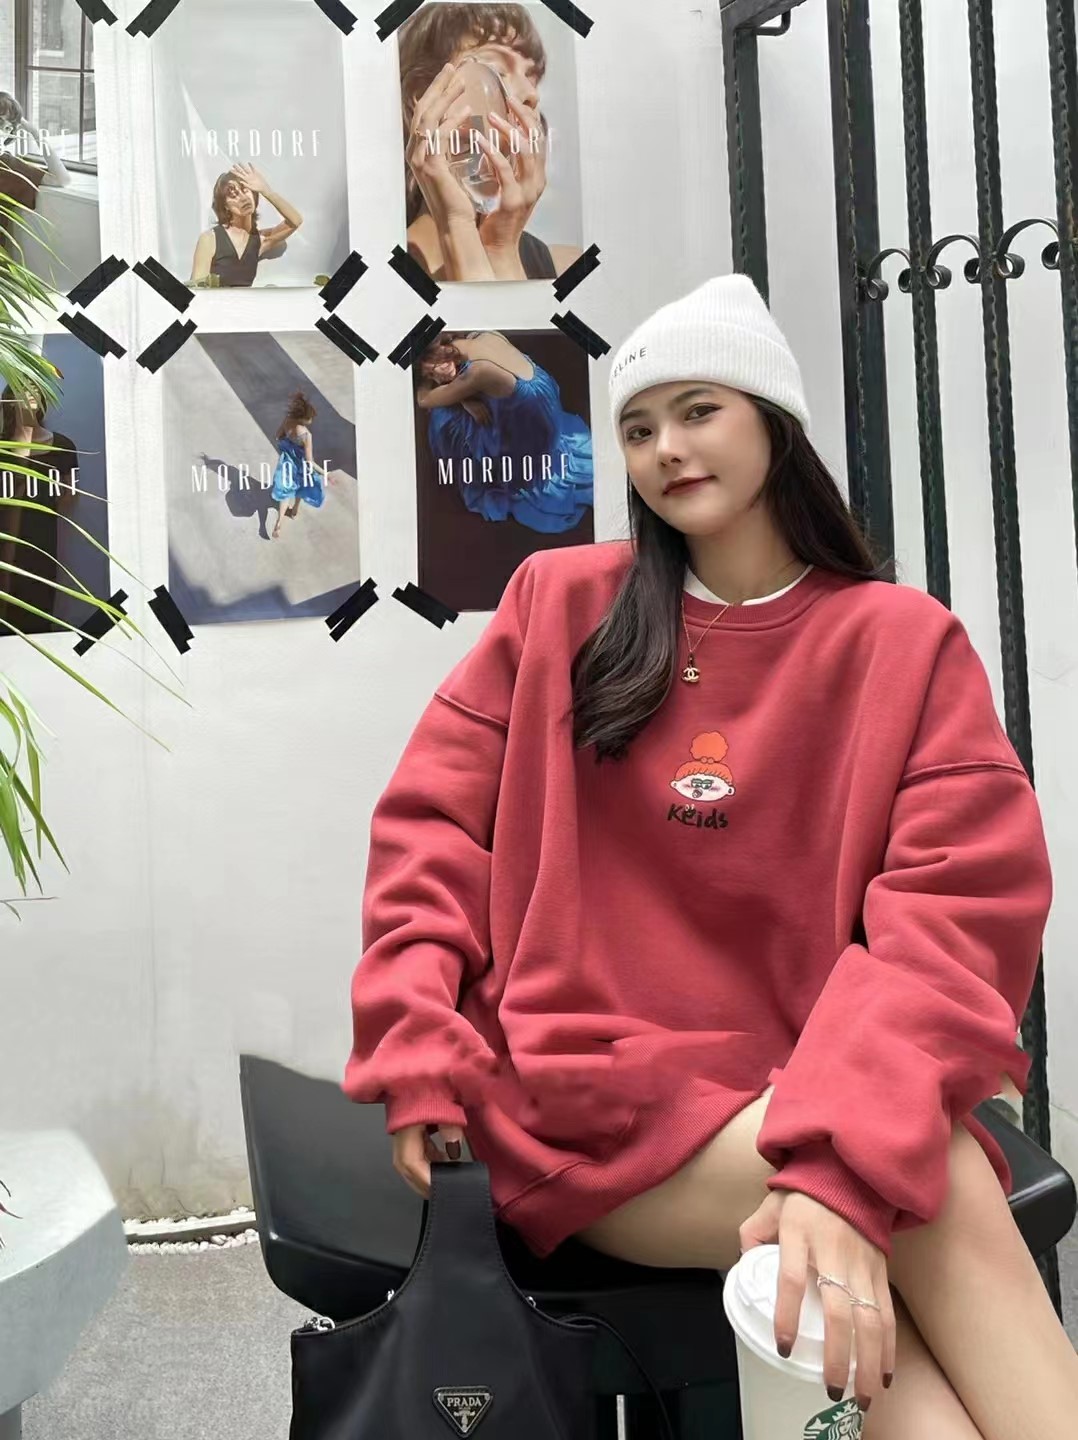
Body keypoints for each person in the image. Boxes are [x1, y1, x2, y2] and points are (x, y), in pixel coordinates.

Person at [343, 276, 1076, 1433]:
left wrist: (834, 1162)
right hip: (583, 1103)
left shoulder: (899, 643)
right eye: (638, 428)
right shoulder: (560, 606)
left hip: (800, 1088)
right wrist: (416, 1036)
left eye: (698, 411)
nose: (666, 449)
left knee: (866, 1322)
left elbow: (955, 921)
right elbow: (429, 835)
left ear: (773, 422)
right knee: (929, 1179)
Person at [399, 4, 583, 282]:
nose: (531, 94)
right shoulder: (382, 280)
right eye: (497, 71)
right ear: (423, 94)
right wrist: (456, 226)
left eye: (532, 76)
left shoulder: (568, 270)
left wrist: (501, 248)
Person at [416, 329, 592, 532]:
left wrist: (452, 391)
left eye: (431, 373)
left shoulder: (478, 372)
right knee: (454, 404)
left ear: (440, 353)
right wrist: (464, 398)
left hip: (533, 424)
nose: (435, 379)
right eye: (430, 377)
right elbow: (470, 383)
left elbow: (424, 399)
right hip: (545, 402)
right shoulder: (481, 336)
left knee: (442, 416)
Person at [0, 379, 78, 634]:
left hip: (41, 543)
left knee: (38, 614)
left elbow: (69, 496)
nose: (31, 392)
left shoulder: (63, 447)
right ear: (10, 400)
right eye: (23, 387)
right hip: (4, 543)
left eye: (36, 387)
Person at [189, 163, 303, 288]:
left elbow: (295, 221)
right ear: (225, 206)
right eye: (234, 195)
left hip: (247, 300)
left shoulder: (260, 240)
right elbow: (197, 288)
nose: (243, 198)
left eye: (245, 190)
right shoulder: (210, 239)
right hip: (216, 300)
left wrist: (266, 191)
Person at [270, 391, 324, 539]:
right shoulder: (306, 435)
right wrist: (326, 473)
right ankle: (294, 510)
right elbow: (310, 462)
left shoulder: (288, 420)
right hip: (301, 464)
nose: (311, 420)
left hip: (287, 461)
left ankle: (279, 522)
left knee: (286, 492)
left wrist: (287, 445)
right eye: (310, 418)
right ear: (304, 418)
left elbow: (277, 435)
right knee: (301, 487)